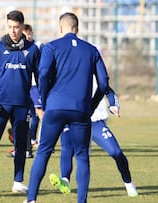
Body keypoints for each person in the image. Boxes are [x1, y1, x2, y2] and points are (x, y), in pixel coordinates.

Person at [25, 12, 110, 203]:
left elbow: (44, 72)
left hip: (55, 107)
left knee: (44, 151)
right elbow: (104, 83)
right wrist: (91, 105)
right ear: (77, 29)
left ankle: (31, 199)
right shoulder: (92, 50)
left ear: (60, 27)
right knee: (81, 156)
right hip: (81, 110)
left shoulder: (51, 46)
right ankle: (81, 201)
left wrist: (45, 99)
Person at [0, 10, 40, 194]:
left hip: (22, 106)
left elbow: (39, 78)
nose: (13, 31)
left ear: (22, 27)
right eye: (10, 27)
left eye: (16, 27)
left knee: (21, 145)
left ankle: (18, 182)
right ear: (7, 26)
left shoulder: (32, 50)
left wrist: (38, 103)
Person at [49, 79, 138, 197]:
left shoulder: (95, 72)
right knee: (67, 146)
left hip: (95, 121)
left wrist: (113, 105)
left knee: (116, 152)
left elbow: (109, 91)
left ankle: (129, 184)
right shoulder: (67, 73)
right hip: (73, 120)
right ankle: (65, 181)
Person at [7, 23, 44, 158]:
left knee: (40, 114)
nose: (27, 36)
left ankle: (44, 143)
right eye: (25, 33)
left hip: (36, 87)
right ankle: (27, 146)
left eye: (29, 34)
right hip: (24, 88)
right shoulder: (17, 48)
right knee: (27, 118)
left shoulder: (38, 46)